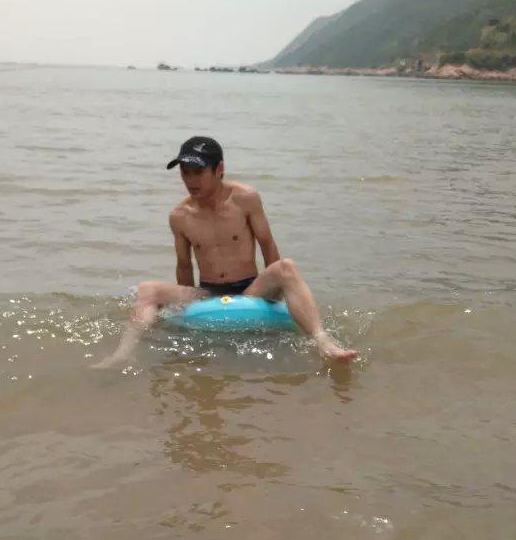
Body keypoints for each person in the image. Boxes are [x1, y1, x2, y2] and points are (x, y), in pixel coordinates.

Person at [94, 136, 358, 368]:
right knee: (147, 289)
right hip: (208, 292)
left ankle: (323, 341)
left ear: (219, 169)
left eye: (198, 172)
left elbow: (267, 243)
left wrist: (276, 294)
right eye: (185, 173)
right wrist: (185, 313)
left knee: (286, 267)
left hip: (250, 289)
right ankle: (123, 354)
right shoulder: (179, 216)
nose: (190, 181)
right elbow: (184, 266)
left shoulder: (245, 198)